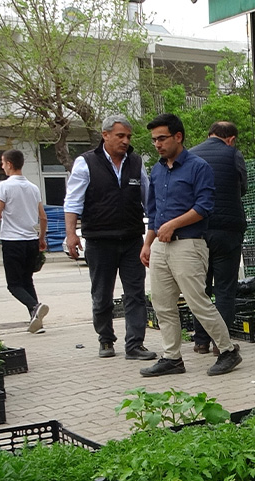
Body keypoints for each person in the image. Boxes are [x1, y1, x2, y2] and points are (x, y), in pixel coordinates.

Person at [139, 113, 242, 377]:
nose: (158, 144)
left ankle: (228, 350)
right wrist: (147, 243)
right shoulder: (158, 169)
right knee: (162, 304)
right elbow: (154, 212)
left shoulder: (198, 167)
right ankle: (172, 357)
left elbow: (204, 207)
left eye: (162, 138)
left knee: (198, 301)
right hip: (161, 246)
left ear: (178, 137)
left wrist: (174, 224)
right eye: (154, 140)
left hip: (189, 244)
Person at [64, 115, 157, 361]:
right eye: (120, 136)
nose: (126, 141)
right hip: (99, 239)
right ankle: (105, 339)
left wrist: (155, 232)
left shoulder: (136, 162)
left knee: (135, 293)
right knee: (102, 294)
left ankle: (135, 344)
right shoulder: (86, 163)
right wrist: (71, 234)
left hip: (131, 239)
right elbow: (73, 201)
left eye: (128, 136)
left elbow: (149, 200)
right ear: (105, 135)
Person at [188, 120, 247, 354]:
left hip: (198, 230)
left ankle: (200, 341)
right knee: (224, 288)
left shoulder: (191, 155)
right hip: (228, 231)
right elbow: (242, 187)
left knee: (200, 288)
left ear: (209, 134)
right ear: (231, 139)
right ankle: (220, 343)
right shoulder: (233, 154)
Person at [0, 149, 49, 333]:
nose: (2, 167)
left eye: (3, 163)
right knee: (27, 281)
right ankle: (36, 321)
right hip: (31, 241)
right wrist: (41, 238)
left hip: (12, 241)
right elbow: (43, 217)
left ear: (9, 164)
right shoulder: (33, 188)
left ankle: (35, 307)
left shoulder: (5, 186)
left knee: (14, 284)